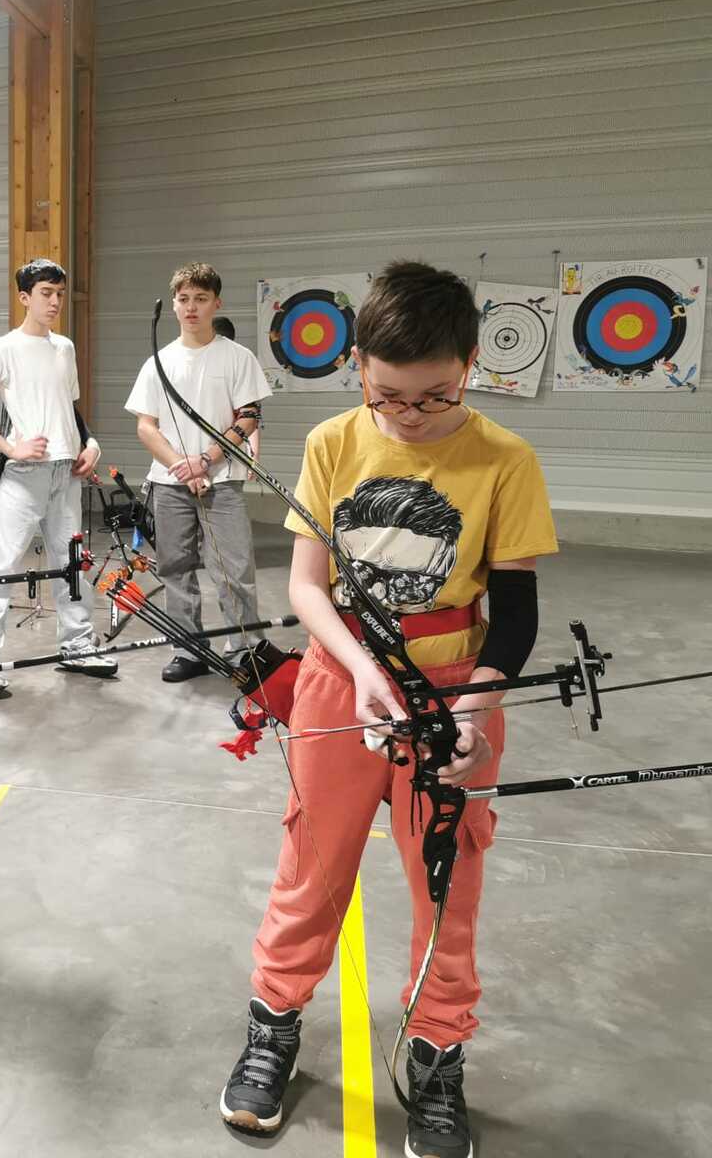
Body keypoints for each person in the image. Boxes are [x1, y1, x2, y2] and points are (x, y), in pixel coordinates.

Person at [219, 261, 556, 1158]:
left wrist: (475, 709)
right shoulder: (333, 442)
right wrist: (362, 668)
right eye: (389, 396)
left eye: (435, 397)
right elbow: (307, 586)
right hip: (341, 682)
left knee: (448, 878)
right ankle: (273, 1022)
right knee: (313, 860)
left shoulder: (505, 459)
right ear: (359, 367)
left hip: (456, 692)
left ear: (472, 364)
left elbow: (516, 616)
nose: (410, 416)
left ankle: (438, 1052)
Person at [0, 258, 113, 696]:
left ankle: (77, 647)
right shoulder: (4, 349)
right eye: (46, 293)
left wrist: (90, 442)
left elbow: (70, 406)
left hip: (67, 472)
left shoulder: (65, 348)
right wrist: (11, 448)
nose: (55, 301)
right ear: (25, 297)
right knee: (1, 568)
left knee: (72, 564)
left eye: (59, 293)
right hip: (24, 476)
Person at [125, 262, 271, 683]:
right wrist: (181, 465)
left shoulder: (237, 357)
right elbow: (145, 426)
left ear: (216, 304)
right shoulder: (157, 363)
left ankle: (245, 649)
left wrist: (205, 460)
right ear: (173, 304)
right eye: (184, 299)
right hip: (170, 483)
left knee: (234, 570)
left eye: (201, 299)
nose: (191, 307)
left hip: (221, 482)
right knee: (175, 568)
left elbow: (249, 417)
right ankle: (188, 650)